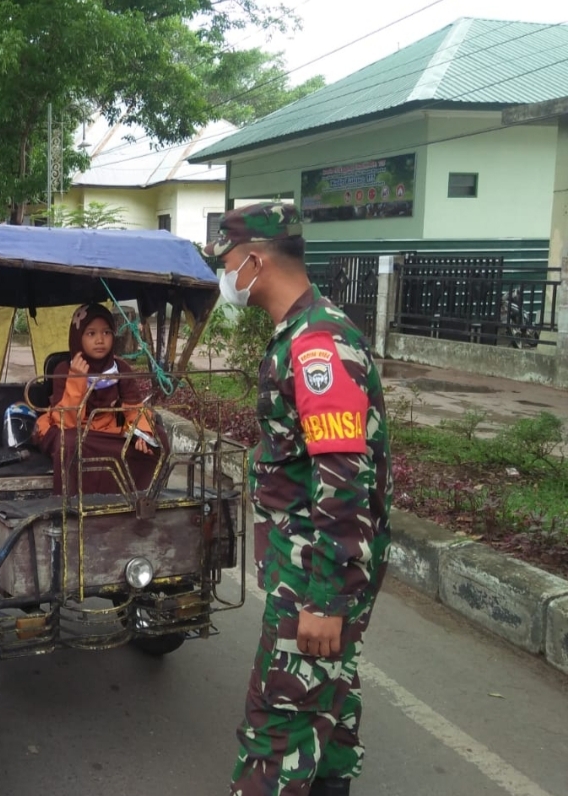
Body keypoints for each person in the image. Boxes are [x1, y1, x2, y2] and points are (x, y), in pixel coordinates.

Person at [214, 203, 392, 796]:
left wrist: (325, 599)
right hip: (316, 568)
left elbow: (343, 478)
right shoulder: (304, 331)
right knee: (331, 707)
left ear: (255, 261)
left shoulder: (316, 346)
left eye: (227, 263)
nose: (226, 277)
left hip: (314, 573)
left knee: (278, 724)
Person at [33, 302, 165, 496]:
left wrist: (142, 433)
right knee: (68, 443)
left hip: (108, 434)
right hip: (76, 433)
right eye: (91, 333)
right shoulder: (63, 370)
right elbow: (66, 422)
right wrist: (77, 380)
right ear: (78, 338)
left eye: (106, 333)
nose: (100, 340)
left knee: (159, 439)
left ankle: (138, 500)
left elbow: (135, 409)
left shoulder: (120, 369)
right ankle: (71, 506)